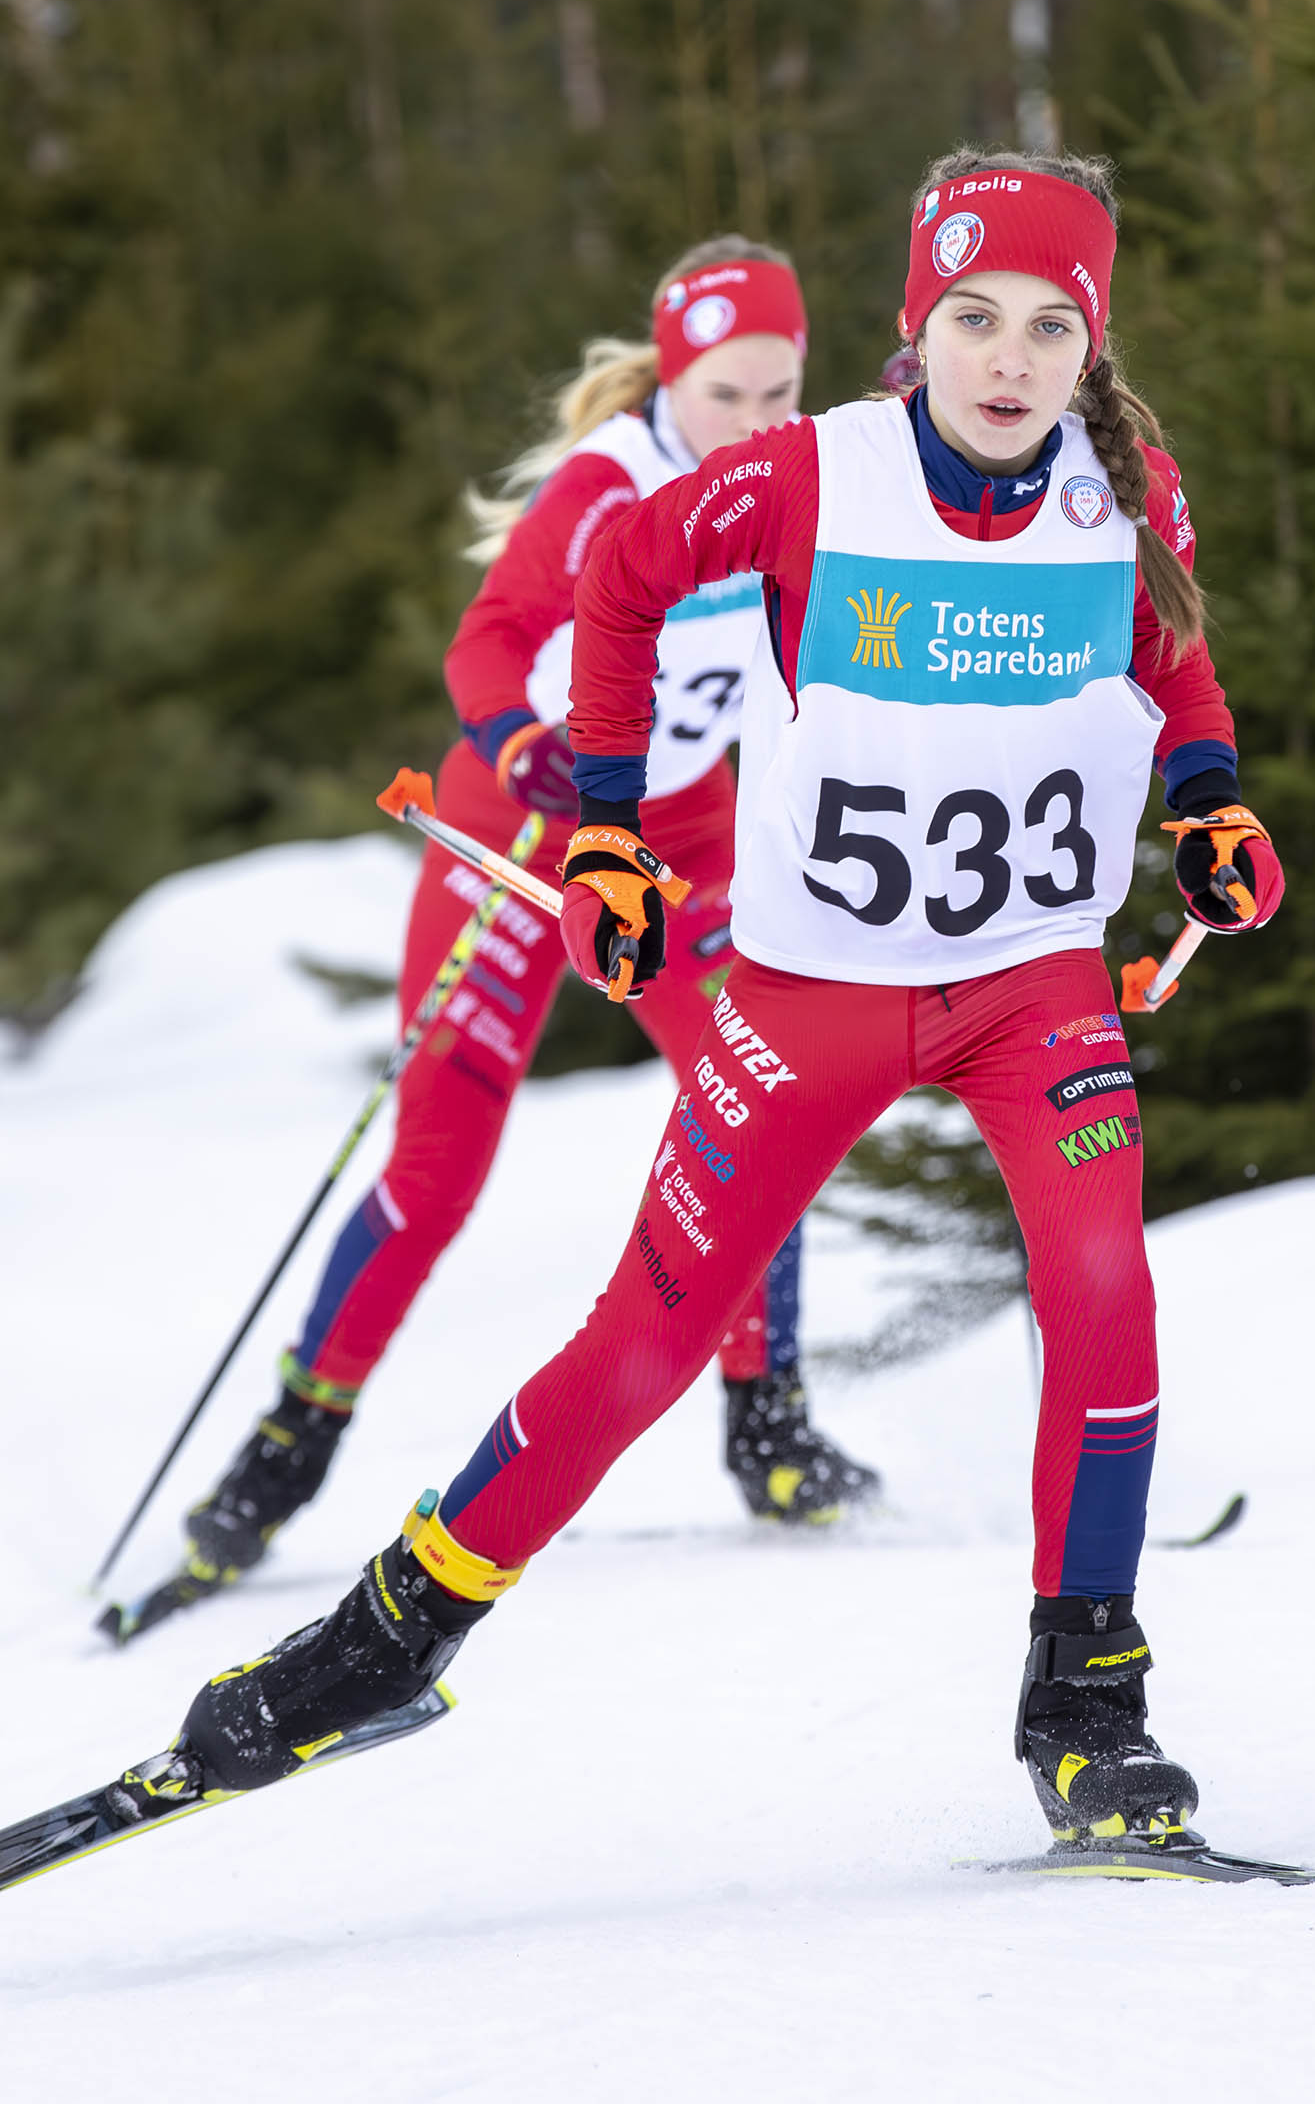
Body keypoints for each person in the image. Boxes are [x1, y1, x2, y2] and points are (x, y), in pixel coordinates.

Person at [163, 147, 1288, 1851]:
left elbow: (1171, 650)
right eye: (974, 317)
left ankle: (1087, 1705)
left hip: (1030, 987)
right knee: (641, 1343)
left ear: (1092, 347)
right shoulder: (802, 479)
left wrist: (1209, 799)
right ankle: (389, 1633)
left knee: (1102, 1288)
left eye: (1050, 327)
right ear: (916, 329)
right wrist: (602, 823)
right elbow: (616, 580)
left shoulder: (1121, 485)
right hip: (818, 990)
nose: (1009, 358)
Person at [138, 239, 885, 1639]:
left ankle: (770, 1430)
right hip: (526, 831)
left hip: (687, 838)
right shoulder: (607, 488)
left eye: (782, 387)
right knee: (440, 1156)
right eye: (729, 393)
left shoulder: (797, 478)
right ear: (673, 377)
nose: (761, 420)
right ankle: (284, 1453)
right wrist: (527, 746)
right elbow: (483, 645)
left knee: (763, 1097)